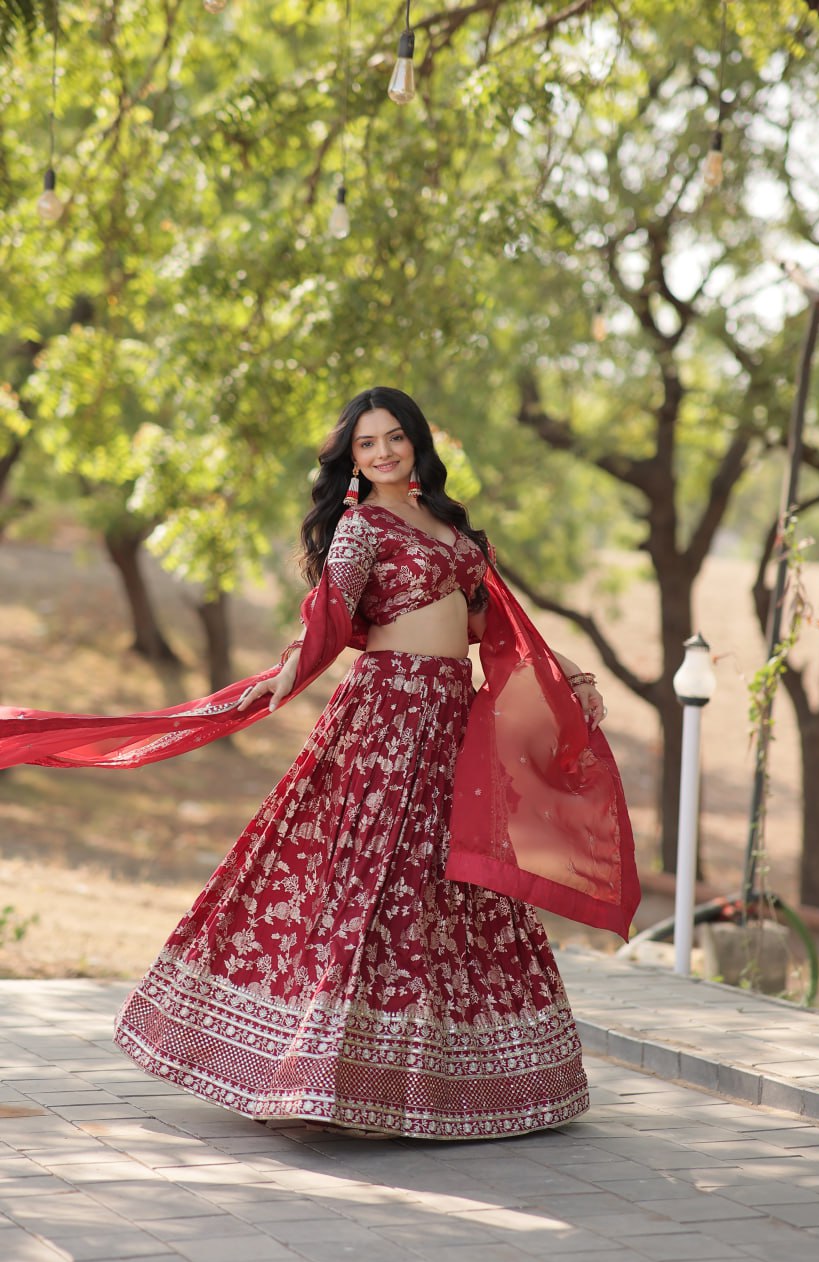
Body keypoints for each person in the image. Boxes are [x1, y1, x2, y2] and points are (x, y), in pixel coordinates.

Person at [0, 387, 638, 1140]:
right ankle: (324, 1074)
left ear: (418, 443)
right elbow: (332, 616)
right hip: (385, 716)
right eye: (367, 445)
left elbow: (492, 623)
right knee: (370, 882)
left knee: (455, 883)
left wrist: (571, 674)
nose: (383, 453)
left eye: (394, 438)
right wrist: (282, 677)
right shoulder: (360, 526)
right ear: (352, 459)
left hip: (448, 723)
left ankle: (463, 1081)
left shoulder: (453, 527)